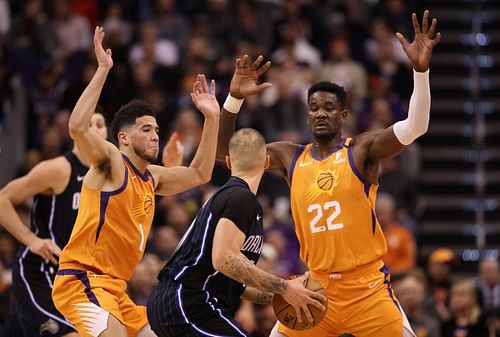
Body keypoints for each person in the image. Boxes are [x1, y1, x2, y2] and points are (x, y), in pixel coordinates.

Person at [217, 10, 441, 337]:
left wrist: (421, 71)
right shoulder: (289, 155)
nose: (320, 113)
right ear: (307, 116)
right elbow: (227, 156)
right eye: (314, 108)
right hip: (316, 288)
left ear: (343, 115)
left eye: (329, 108)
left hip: (367, 289)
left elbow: (416, 126)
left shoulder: (362, 150)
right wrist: (234, 99)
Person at [51, 26, 220, 337]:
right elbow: (77, 126)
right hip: (82, 280)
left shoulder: (152, 177)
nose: (155, 135)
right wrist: (103, 69)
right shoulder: (112, 163)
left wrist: (212, 119)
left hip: (117, 290)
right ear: (124, 137)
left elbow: (200, 174)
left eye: (156, 129)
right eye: (146, 129)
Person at [147, 128, 326, 337]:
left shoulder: (227, 197)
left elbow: (232, 280)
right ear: (267, 162)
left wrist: (280, 296)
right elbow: (224, 259)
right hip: (187, 302)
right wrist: (285, 286)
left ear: (229, 162)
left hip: (177, 301)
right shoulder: (242, 199)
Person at [0, 112, 106, 337]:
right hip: (40, 271)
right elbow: (2, 200)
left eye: (101, 124)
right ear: (75, 131)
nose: (96, 129)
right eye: (90, 123)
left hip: (75, 279)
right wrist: (31, 239)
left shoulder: (107, 179)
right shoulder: (60, 169)